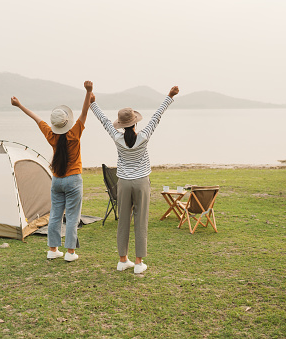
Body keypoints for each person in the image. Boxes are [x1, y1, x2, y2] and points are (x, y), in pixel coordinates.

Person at [89, 85, 179, 273]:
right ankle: (138, 263)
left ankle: (123, 260)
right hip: (141, 183)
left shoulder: (117, 138)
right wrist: (169, 96)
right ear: (135, 123)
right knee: (140, 220)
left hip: (123, 183)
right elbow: (157, 116)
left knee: (123, 220)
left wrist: (92, 102)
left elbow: (104, 121)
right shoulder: (144, 137)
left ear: (121, 125)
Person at [11, 81, 93, 261]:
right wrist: (88, 92)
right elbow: (85, 112)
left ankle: (52, 249)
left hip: (56, 181)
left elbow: (35, 118)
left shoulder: (51, 135)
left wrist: (19, 105)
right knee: (72, 217)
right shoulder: (75, 134)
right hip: (73, 180)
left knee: (55, 215)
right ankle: (70, 253)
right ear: (67, 122)